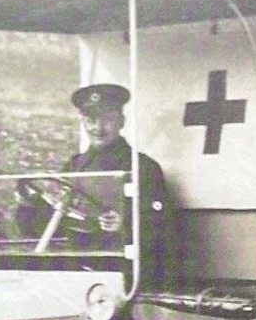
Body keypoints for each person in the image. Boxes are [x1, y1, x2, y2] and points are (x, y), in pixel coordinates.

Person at [17, 83, 177, 288]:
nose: (98, 128)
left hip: (124, 275)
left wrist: (125, 223)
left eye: (108, 119)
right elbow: (48, 226)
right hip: (78, 270)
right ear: (83, 121)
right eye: (91, 120)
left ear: (121, 121)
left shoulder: (142, 167)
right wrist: (28, 204)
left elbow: (163, 227)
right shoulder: (74, 166)